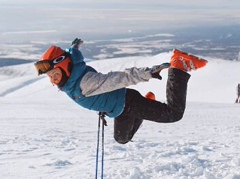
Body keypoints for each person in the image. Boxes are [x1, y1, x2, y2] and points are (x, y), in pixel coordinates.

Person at [34, 38, 208, 144]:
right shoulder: (73, 74)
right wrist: (75, 46)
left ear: (65, 67)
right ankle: (149, 100)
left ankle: (179, 65)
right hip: (118, 109)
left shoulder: (85, 83)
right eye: (50, 77)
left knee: (173, 114)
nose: (53, 80)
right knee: (121, 139)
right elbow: (73, 53)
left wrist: (147, 73)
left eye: (55, 74)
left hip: (130, 103)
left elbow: (119, 79)